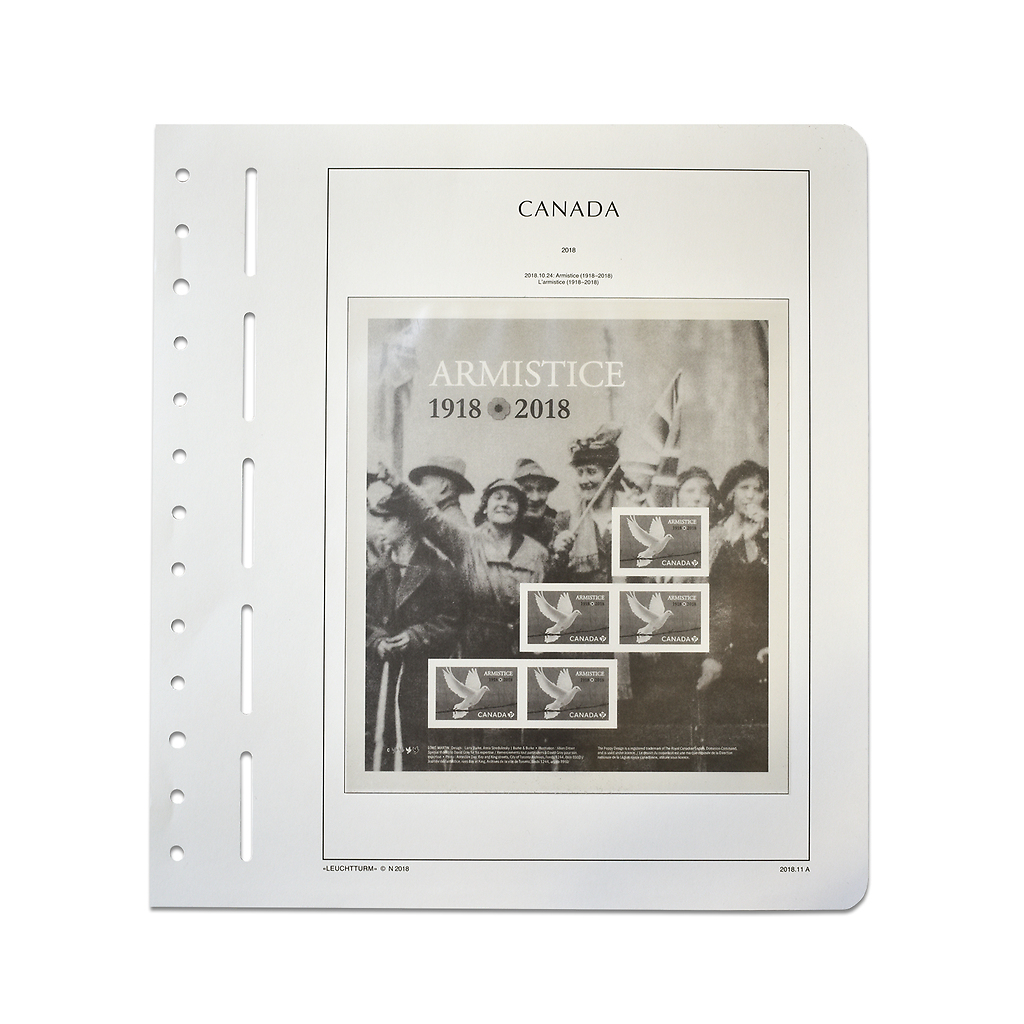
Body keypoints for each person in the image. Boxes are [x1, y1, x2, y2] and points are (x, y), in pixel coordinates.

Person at [378, 467, 547, 658]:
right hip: (475, 650)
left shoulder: (538, 553)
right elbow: (431, 517)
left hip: (520, 652)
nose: (504, 504)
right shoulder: (467, 542)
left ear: (520, 510)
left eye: (512, 500)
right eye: (498, 497)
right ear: (485, 506)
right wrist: (398, 484)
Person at [365, 487, 460, 771]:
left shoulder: (440, 569)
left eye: (387, 520)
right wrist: (377, 640)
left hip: (421, 678)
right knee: (378, 739)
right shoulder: (376, 571)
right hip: (381, 676)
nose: (380, 527)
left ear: (406, 523)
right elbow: (362, 616)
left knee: (417, 745)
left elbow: (453, 618)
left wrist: (416, 636)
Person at [696, 460, 769, 770]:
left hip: (755, 646)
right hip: (714, 644)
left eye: (758, 489)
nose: (752, 495)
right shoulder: (714, 535)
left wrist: (758, 537)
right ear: (730, 494)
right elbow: (708, 590)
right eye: (744, 488)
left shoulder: (771, 537)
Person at [548, 424, 623, 583]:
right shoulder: (566, 520)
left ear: (610, 476)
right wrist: (559, 556)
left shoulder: (631, 516)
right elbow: (554, 584)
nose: (584, 480)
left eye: (591, 471)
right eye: (580, 472)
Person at [407, 455, 475, 526]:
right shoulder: (445, 517)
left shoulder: (450, 522)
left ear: (443, 485)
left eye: (425, 484)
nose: (420, 490)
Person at [512, 458, 560, 547]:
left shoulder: (557, 528)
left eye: (541, 489)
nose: (535, 498)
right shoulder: (503, 528)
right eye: (527, 489)